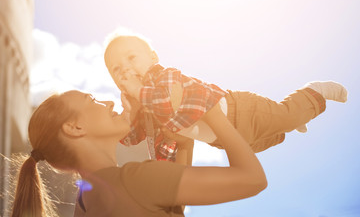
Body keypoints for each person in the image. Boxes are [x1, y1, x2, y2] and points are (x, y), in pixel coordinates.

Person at [10, 90, 267, 217]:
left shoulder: (84, 204)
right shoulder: (134, 179)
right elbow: (253, 179)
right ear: (75, 128)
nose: (108, 102)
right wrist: (210, 109)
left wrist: (184, 142)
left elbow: (170, 205)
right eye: (92, 100)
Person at [103, 33, 348, 160]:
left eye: (131, 58)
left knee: (283, 116)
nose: (125, 68)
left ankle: (313, 92)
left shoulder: (163, 77)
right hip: (224, 138)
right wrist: (129, 115)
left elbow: (167, 105)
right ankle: (293, 120)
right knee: (265, 139)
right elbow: (132, 138)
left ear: (153, 57)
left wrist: (137, 91)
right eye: (116, 69)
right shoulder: (142, 106)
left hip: (238, 110)